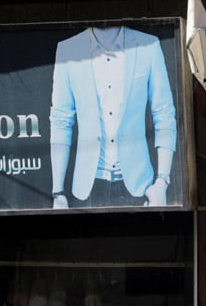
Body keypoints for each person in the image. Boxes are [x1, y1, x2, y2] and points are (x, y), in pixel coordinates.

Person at [49, 25, 177, 209]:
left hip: (141, 186)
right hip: (87, 187)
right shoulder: (68, 49)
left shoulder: (148, 45)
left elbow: (164, 113)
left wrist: (162, 182)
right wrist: (58, 192)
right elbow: (61, 119)